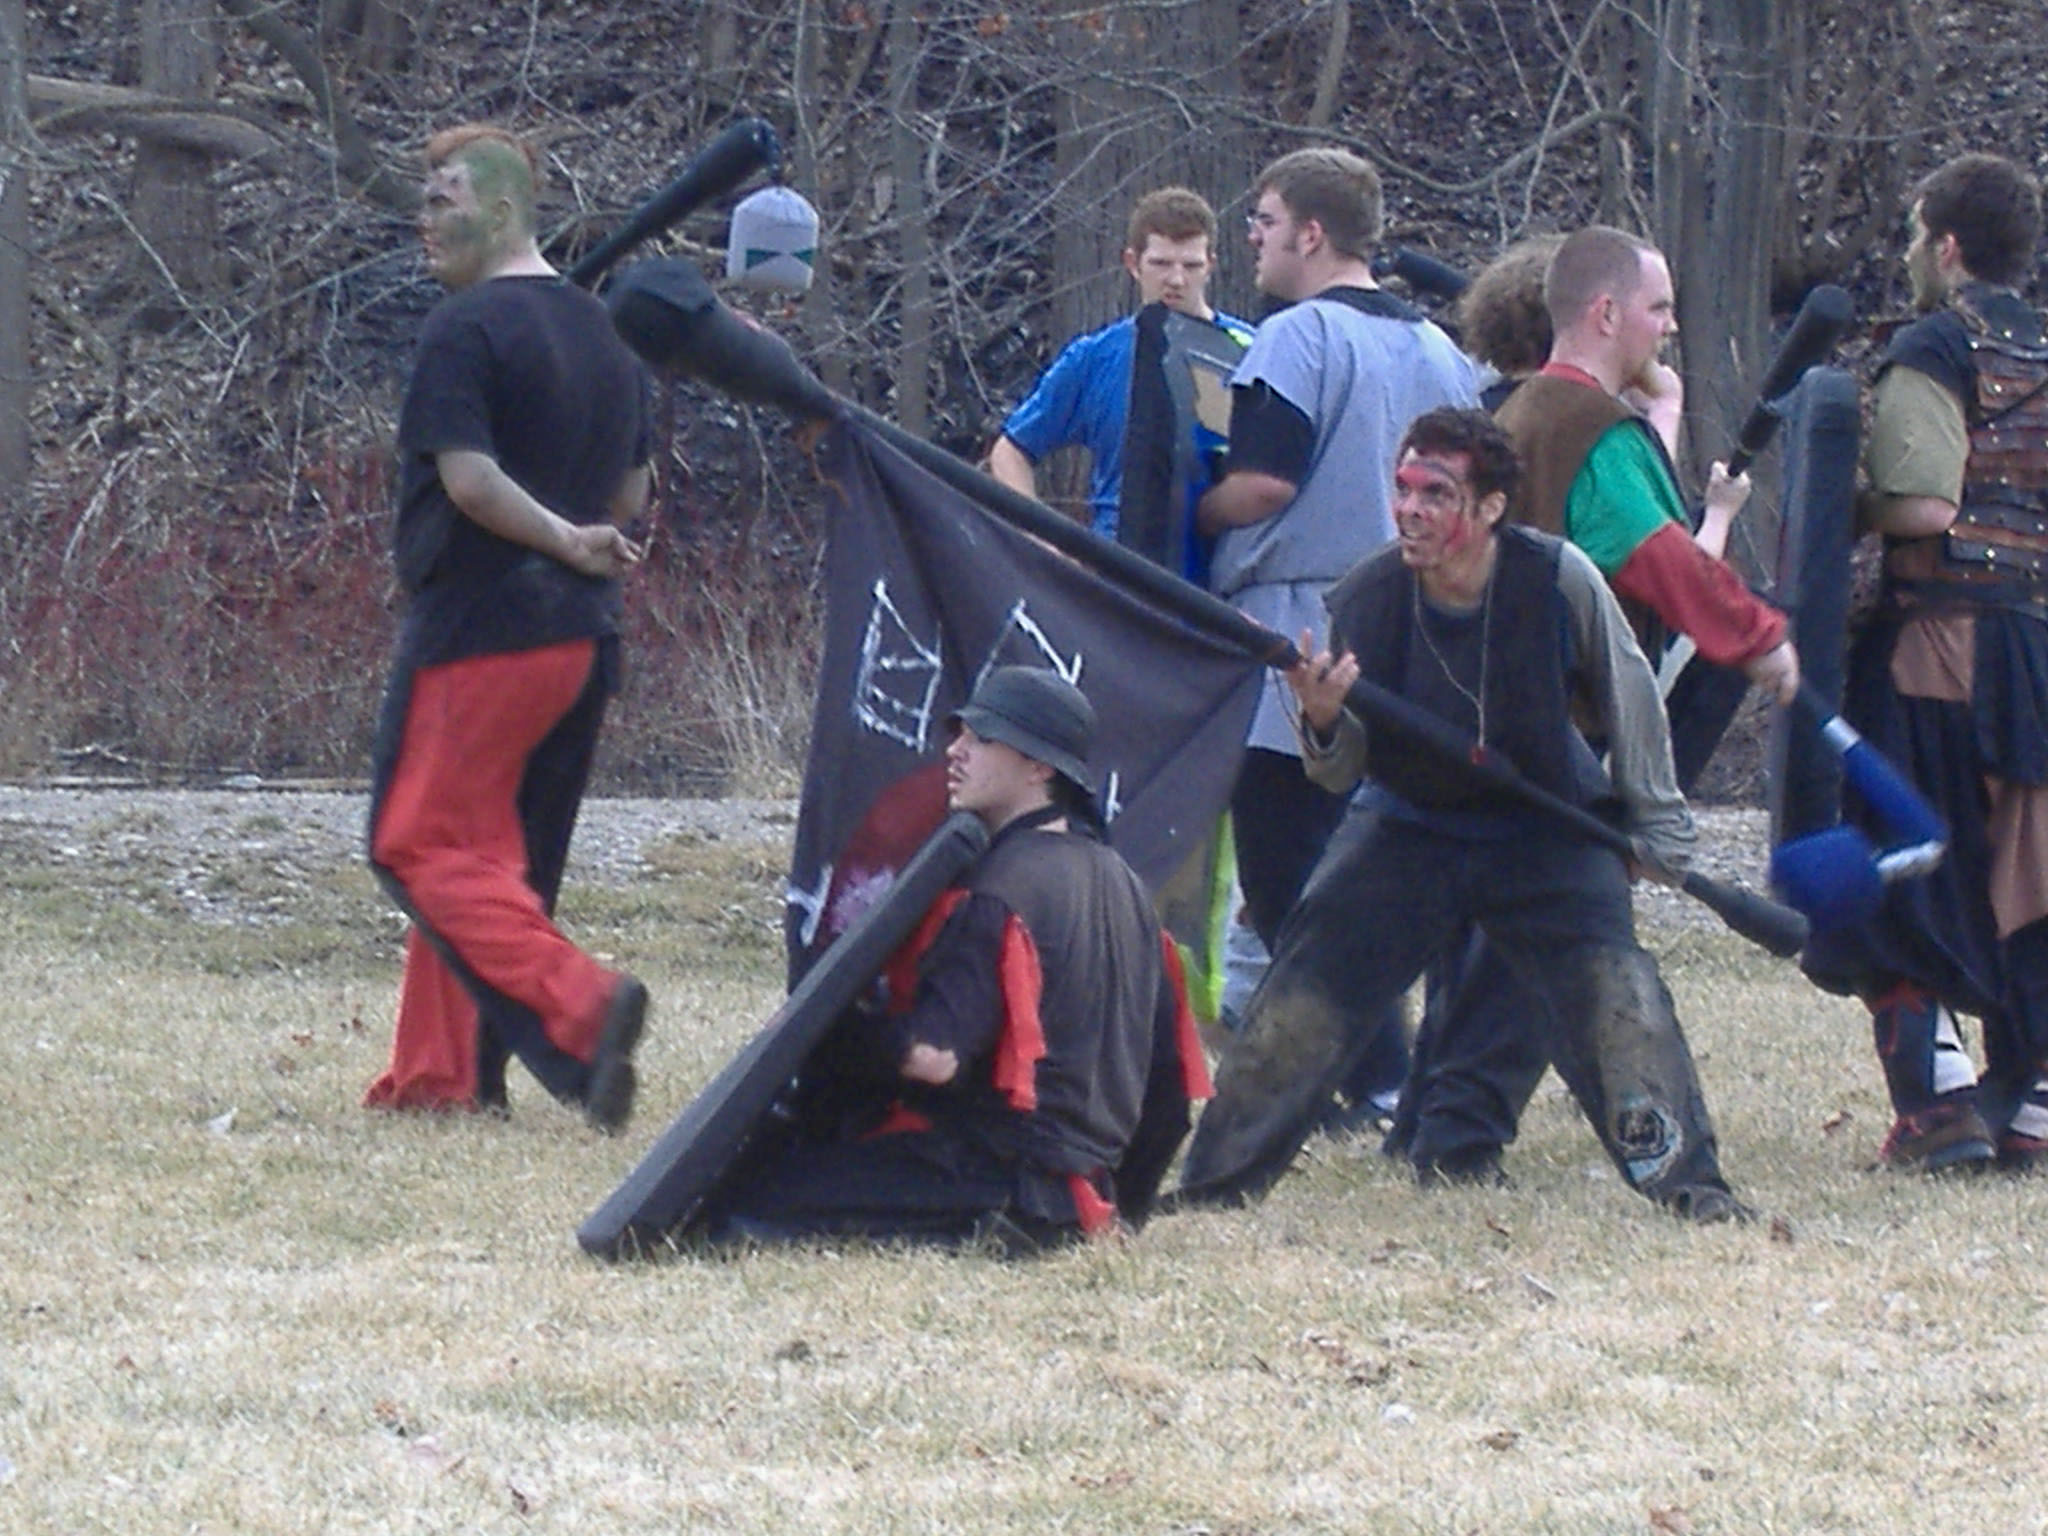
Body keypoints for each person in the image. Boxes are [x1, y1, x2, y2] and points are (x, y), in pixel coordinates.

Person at [1179, 408, 1744, 1221]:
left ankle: (1690, 1188)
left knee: (1618, 995)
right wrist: (1324, 719)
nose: (1409, 509)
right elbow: (1339, 772)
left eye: (1435, 493)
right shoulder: (1367, 597)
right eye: (1403, 489)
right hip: (1409, 824)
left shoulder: (1557, 577)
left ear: (1488, 509)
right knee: (1303, 990)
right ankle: (1214, 1186)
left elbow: (1631, 698)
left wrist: (1657, 827)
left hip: (1546, 822)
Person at [1389, 225, 1803, 1183]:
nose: (1667, 327)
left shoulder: (1529, 413)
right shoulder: (1586, 430)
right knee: (1557, 948)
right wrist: (1758, 641)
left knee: (1488, 936)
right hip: (1550, 733)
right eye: (1658, 309)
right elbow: (1658, 560)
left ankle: (1425, 1123)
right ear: (1608, 313)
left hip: (1484, 716)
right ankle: (1455, 1141)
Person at [706, 667, 1212, 1249]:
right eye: (959, 735)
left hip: (997, 1190)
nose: (956, 751)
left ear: (1040, 767)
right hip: (1077, 1197)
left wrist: (815, 1029)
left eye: (981, 739)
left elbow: (932, 1058)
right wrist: (1123, 1213)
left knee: (744, 1200)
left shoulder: (999, 890)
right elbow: (1169, 1096)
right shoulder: (1130, 888)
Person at [362, 124, 654, 1129]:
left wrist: (565, 542)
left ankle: (585, 1006)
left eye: (441, 197)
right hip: (579, 645)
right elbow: (632, 484)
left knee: (414, 844)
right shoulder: (608, 332)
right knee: (482, 862)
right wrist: (592, 541)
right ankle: (440, 1079)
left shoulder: (465, 329)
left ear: (497, 210)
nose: (423, 216)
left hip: (481, 628)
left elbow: (470, 481)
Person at [1195, 148, 1481, 1118]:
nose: (1254, 239)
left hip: (1299, 626)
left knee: (1286, 875)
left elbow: (1265, 482)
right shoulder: (1442, 350)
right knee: (1356, 863)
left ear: (1310, 234)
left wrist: (1186, 512)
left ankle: (1369, 1079)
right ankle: (1359, 1075)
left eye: (1263, 221)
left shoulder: (1295, 338)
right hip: (1410, 625)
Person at [1804, 153, 2048, 1172]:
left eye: (1915, 235)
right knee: (2022, 877)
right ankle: (2032, 1109)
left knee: (1886, 866)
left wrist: (1835, 510)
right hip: (2031, 644)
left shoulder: (1934, 344)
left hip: (1930, 652)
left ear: (1944, 246)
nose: (1911, 254)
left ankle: (1938, 1103)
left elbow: (1923, 504)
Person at [987, 187, 1253, 546]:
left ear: (1211, 265)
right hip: (1118, 565)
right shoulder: (1095, 357)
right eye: (1161, 264)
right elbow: (1011, 450)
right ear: (1133, 263)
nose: (1176, 280)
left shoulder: (1252, 351)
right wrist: (1043, 542)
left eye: (1191, 266)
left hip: (1222, 563)